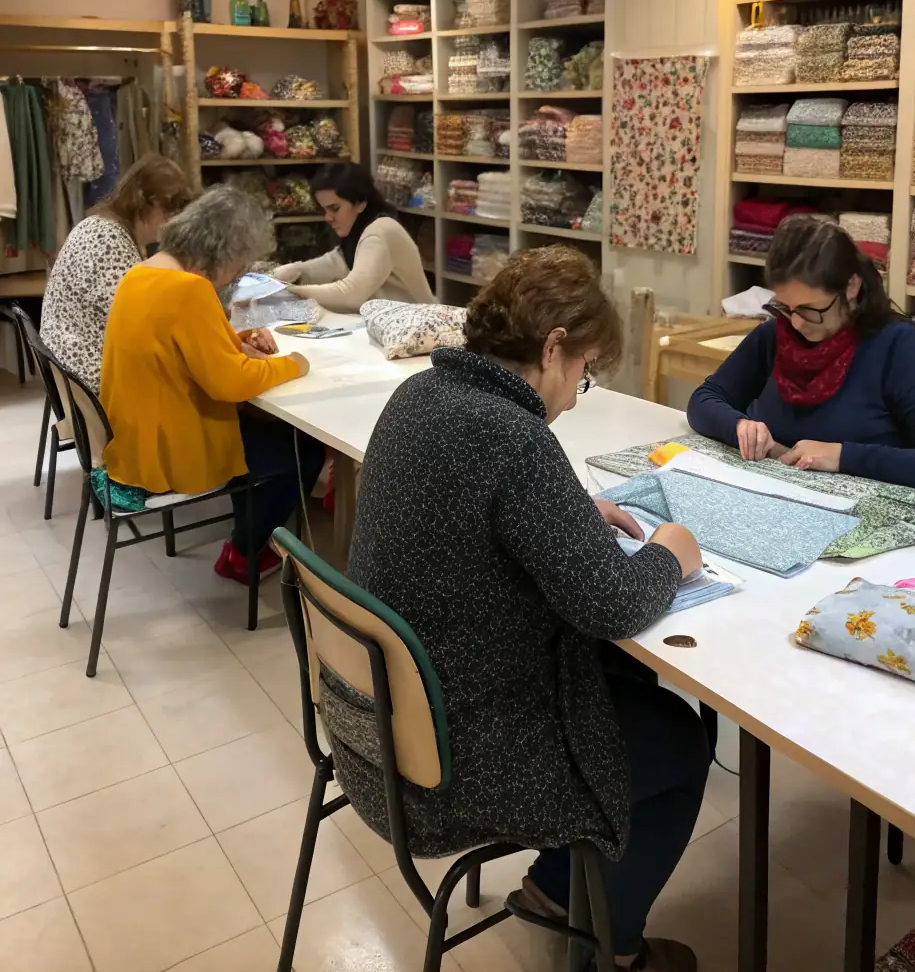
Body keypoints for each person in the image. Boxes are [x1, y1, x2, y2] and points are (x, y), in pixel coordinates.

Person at [335, 245, 707, 972]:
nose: (573, 396)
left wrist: (565, 510)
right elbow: (615, 600)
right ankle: (615, 949)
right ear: (553, 347)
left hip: (372, 730)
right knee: (681, 743)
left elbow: (473, 512)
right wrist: (673, 550)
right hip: (450, 766)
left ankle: (554, 887)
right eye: (584, 374)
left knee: (622, 688)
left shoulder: (421, 395)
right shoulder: (513, 435)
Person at [100, 186, 324, 583]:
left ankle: (247, 541)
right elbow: (230, 384)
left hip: (135, 442)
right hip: (172, 452)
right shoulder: (190, 290)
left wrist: (237, 340)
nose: (235, 275)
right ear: (221, 251)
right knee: (301, 450)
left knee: (271, 436)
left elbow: (176, 346)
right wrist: (293, 364)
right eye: (238, 265)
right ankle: (244, 553)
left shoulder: (142, 273)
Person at [688, 216, 915, 495]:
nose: (797, 323)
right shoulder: (777, 334)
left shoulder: (899, 347)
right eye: (786, 307)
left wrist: (841, 456)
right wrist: (740, 426)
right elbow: (704, 399)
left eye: (810, 310)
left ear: (851, 286)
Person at [40, 154, 193, 391]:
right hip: (90, 377)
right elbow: (138, 323)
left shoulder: (100, 226)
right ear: (147, 202)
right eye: (167, 214)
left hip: (69, 366)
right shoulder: (108, 239)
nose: (168, 224)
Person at [273, 162, 433, 311]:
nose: (328, 218)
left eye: (334, 209)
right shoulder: (357, 232)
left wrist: (291, 291)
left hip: (422, 329)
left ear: (360, 203)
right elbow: (333, 263)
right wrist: (289, 272)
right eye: (324, 210)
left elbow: (351, 294)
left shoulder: (381, 231)